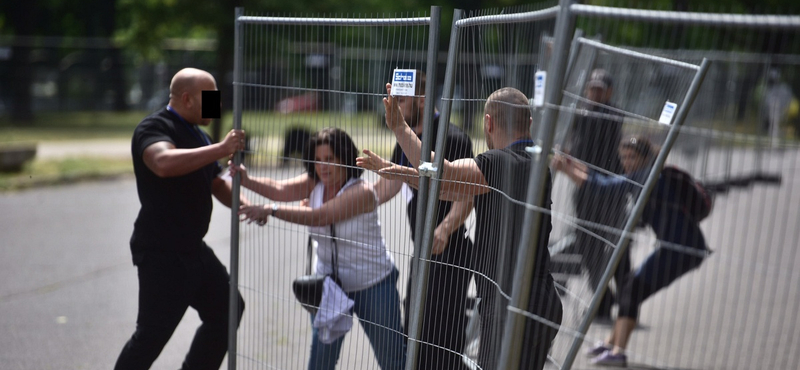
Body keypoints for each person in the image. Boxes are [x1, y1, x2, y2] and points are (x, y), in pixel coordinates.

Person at [359, 86, 563, 370]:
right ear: (529, 122)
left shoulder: (498, 162)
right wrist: (397, 171)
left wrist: (400, 128)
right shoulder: (534, 164)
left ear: (488, 123)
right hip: (542, 299)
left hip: (512, 306)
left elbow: (444, 173)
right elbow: (449, 189)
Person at [232, 127, 406, 370]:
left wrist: (270, 210)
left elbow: (319, 216)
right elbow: (279, 188)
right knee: (320, 363)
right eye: (317, 160)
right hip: (329, 286)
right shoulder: (315, 183)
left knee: (394, 361)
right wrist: (247, 179)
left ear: (344, 159)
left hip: (373, 283)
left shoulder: (361, 191)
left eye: (329, 159)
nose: (322, 166)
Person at [115, 67, 247, 370]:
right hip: (162, 253)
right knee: (151, 336)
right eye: (211, 98)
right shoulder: (154, 128)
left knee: (227, 311)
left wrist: (250, 207)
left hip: (192, 250)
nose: (218, 105)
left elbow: (216, 182)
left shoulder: (198, 134)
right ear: (187, 99)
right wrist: (221, 148)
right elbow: (162, 162)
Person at [552, 136, 709, 367]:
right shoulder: (644, 174)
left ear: (645, 158)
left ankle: (618, 352)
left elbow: (602, 188)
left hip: (683, 250)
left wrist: (566, 170)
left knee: (632, 287)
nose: (627, 162)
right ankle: (611, 344)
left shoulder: (647, 176)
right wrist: (572, 163)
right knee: (629, 286)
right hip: (677, 248)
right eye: (623, 157)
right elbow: (604, 179)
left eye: (632, 157)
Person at [371, 70, 475, 370]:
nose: (395, 107)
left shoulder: (451, 137)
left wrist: (444, 228)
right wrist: (351, 202)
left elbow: (466, 193)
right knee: (414, 327)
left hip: (449, 250)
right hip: (423, 251)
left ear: (422, 99)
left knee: (443, 335)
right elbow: (389, 185)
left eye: (401, 101)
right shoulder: (405, 138)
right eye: (394, 101)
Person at [556, 68, 630, 321]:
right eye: (592, 88)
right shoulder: (583, 113)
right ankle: (603, 297)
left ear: (609, 92)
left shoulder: (610, 115)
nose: (594, 93)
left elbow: (593, 125)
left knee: (615, 249)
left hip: (609, 191)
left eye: (600, 89)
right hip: (585, 191)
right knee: (588, 246)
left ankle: (623, 301)